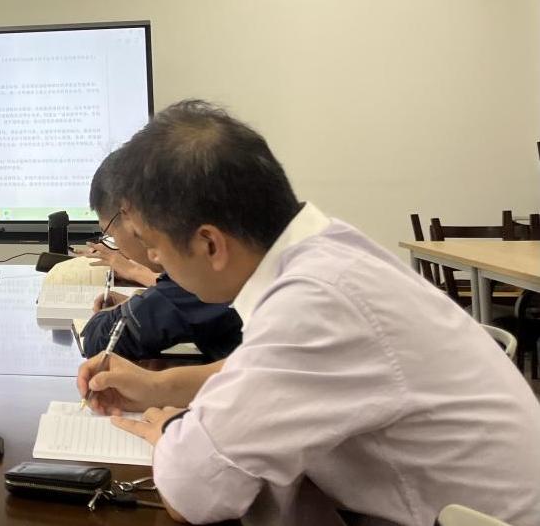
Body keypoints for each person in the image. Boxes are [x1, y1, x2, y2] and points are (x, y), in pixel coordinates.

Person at [76, 100, 540, 525]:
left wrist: (170, 433)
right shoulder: (328, 252)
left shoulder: (314, 303)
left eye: (154, 246)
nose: (154, 261)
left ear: (210, 244)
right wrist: (158, 387)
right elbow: (258, 371)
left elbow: (192, 493)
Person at [77, 150, 242, 362]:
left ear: (131, 214)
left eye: (109, 233)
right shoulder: (246, 248)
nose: (153, 255)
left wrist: (133, 308)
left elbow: (99, 340)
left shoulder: (199, 270)